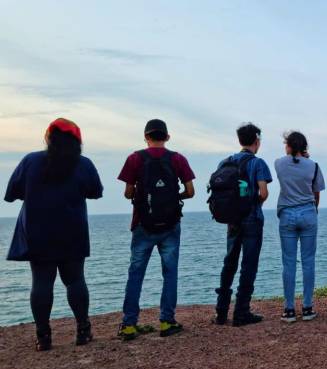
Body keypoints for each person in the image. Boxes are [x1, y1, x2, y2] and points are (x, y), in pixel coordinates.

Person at [4, 119, 103, 351]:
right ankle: (83, 330)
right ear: (77, 141)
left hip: (38, 231)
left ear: (48, 137)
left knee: (41, 282)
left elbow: (11, 193)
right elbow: (96, 192)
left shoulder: (30, 161)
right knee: (75, 280)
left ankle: (43, 337)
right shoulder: (83, 164)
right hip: (72, 230)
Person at [117, 119, 195, 340]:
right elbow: (190, 191)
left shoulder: (135, 158)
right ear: (167, 137)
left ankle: (129, 325)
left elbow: (128, 193)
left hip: (143, 224)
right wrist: (172, 197)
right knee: (170, 273)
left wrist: (144, 198)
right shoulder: (178, 159)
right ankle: (167, 321)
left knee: (136, 273)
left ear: (146, 137)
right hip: (171, 224)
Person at [212, 123, 272, 326]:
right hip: (252, 219)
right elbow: (263, 192)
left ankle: (221, 312)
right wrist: (254, 204)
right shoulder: (258, 163)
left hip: (232, 220)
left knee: (229, 263)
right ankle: (241, 312)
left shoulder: (224, 162)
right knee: (249, 265)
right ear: (257, 141)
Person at [274, 131, 325, 322]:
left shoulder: (279, 163)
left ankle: (289, 309)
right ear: (304, 147)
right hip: (308, 213)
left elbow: (289, 161)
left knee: (288, 263)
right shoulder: (313, 166)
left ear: (288, 145)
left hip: (287, 214)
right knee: (308, 261)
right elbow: (316, 193)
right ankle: (307, 307)